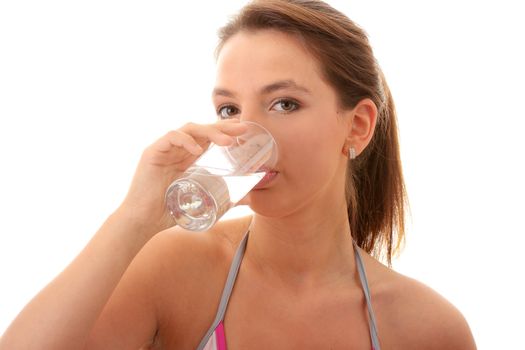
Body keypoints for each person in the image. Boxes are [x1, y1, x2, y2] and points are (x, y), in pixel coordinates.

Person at [0, 0, 477, 349]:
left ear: (356, 126)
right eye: (229, 108)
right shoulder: (178, 268)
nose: (247, 133)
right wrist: (133, 219)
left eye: (284, 103)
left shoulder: (427, 327)